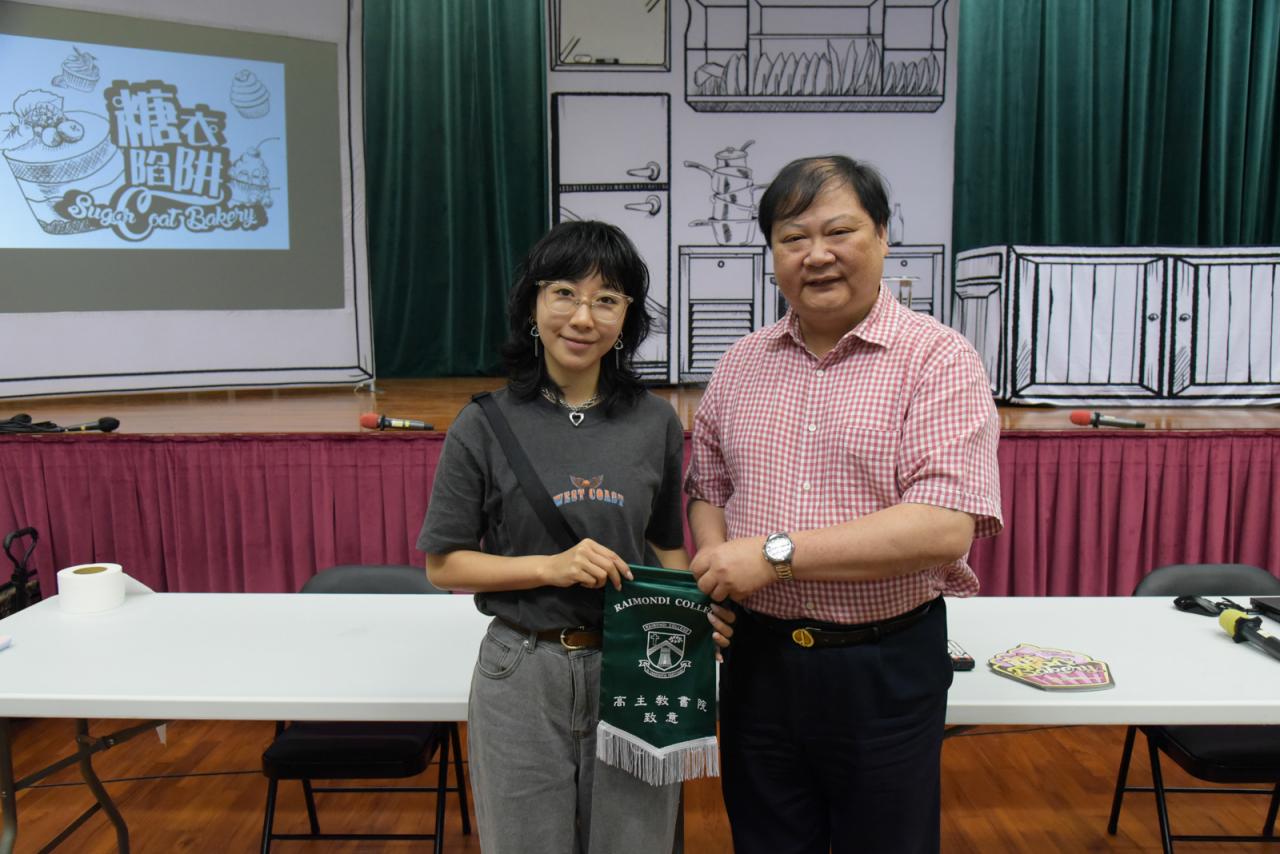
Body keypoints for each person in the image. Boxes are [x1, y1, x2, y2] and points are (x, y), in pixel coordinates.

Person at [684, 155, 1003, 854]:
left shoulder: (939, 359)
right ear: (773, 254)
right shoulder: (739, 363)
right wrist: (715, 561)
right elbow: (708, 486)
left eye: (838, 231)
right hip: (758, 665)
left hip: (882, 668)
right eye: (793, 238)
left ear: (883, 235)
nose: (817, 255)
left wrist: (774, 557)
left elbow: (943, 527)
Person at [419, 220, 733, 854]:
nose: (583, 317)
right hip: (522, 668)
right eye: (564, 292)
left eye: (607, 299)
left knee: (636, 844)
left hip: (636, 664)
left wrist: (696, 618)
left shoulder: (653, 422)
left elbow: (667, 546)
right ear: (533, 304)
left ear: (627, 317)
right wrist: (550, 567)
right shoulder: (483, 423)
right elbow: (444, 565)